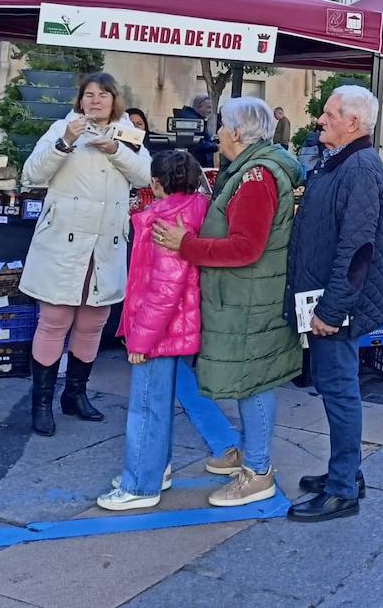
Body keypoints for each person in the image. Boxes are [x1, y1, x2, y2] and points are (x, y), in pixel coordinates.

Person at [157, 97, 305, 507]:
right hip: (247, 295)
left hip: (250, 298)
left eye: (222, 125)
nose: (217, 132)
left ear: (238, 133)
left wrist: (185, 244)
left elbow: (246, 248)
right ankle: (249, 450)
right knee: (248, 379)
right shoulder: (251, 170)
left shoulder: (256, 177)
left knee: (253, 382)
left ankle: (258, 472)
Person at [21, 73, 151, 437]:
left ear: (115, 100)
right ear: (79, 99)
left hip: (105, 243)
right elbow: (32, 174)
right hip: (64, 240)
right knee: (55, 317)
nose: (95, 101)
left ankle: (75, 394)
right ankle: (42, 402)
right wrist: (66, 142)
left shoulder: (128, 134)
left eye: (103, 95)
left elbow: (145, 176)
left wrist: (118, 152)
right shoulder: (62, 127)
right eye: (88, 95)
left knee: (94, 320)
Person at [284, 86, 383, 522]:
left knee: (340, 389)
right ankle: (345, 471)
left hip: (336, 305)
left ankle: (343, 488)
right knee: (335, 387)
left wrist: (330, 309)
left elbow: (358, 247)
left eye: (329, 114)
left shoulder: (361, 166)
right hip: (327, 298)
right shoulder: (342, 161)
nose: (320, 120)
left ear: (353, 123)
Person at [97, 150, 209, 511]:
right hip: (177, 327)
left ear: (156, 182)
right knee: (158, 405)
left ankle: (141, 484)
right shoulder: (192, 211)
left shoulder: (164, 221)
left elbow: (164, 286)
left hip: (159, 330)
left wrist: (141, 339)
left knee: (146, 407)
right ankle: (156, 469)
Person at [176, 94, 219, 167]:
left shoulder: (193, 119)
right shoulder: (193, 121)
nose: (210, 111)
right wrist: (215, 146)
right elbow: (196, 143)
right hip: (194, 162)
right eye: (208, 107)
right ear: (199, 107)